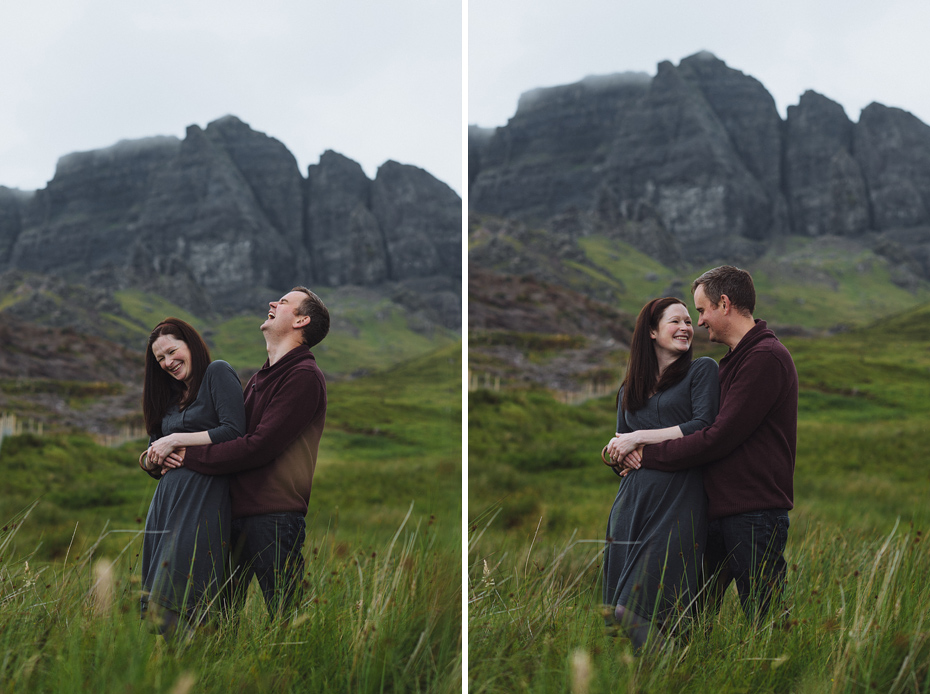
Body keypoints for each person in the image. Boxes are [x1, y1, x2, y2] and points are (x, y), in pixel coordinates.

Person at [618, 266, 798, 625]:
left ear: (725, 304)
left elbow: (716, 437)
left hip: (753, 512)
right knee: (688, 615)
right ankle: (680, 676)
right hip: (718, 513)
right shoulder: (734, 361)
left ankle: (782, 676)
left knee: (766, 618)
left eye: (701, 311)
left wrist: (645, 454)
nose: (699, 322)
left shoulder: (764, 358)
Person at [161, 286, 329, 617]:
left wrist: (186, 455)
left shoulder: (304, 376)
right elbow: (228, 437)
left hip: (273, 518)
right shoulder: (258, 379)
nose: (272, 303)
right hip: (231, 517)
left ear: (302, 320)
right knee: (217, 617)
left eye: (283, 302)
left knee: (287, 616)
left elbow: (257, 448)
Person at [602, 297, 719, 651]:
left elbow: (703, 425)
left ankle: (673, 670)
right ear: (651, 331)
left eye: (689, 321)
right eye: (676, 321)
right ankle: (650, 679)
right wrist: (612, 454)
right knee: (612, 610)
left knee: (634, 608)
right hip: (631, 506)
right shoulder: (628, 391)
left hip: (679, 502)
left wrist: (639, 438)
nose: (686, 327)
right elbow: (620, 452)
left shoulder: (701, 371)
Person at [138, 318, 247, 639]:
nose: (168, 362)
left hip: (203, 498)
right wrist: (151, 458)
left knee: (184, 585)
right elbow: (151, 450)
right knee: (159, 598)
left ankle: (201, 658)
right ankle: (175, 669)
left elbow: (233, 430)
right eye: (160, 359)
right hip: (167, 503)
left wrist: (177, 441)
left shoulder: (217, 373)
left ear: (190, 346)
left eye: (172, 351)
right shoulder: (170, 397)